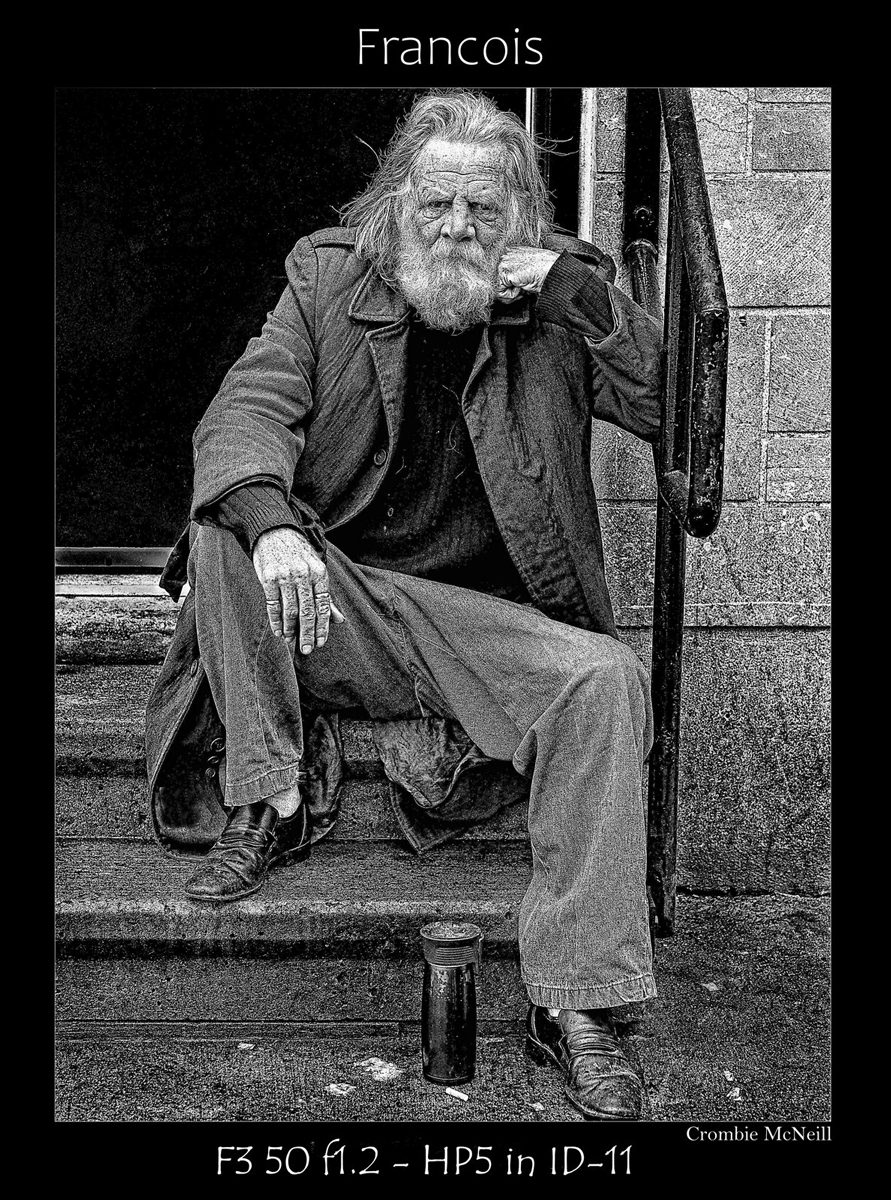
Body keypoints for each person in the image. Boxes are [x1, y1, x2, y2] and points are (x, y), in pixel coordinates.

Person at [145, 90, 664, 1120]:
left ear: (521, 210)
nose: (459, 229)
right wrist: (276, 522)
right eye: (437, 206)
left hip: (484, 626)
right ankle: (272, 796)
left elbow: (670, 411)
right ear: (398, 203)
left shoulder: (562, 292)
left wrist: (577, 293)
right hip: (345, 607)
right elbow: (245, 411)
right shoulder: (328, 275)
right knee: (224, 528)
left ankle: (578, 1006)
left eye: (485, 207)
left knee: (606, 681)